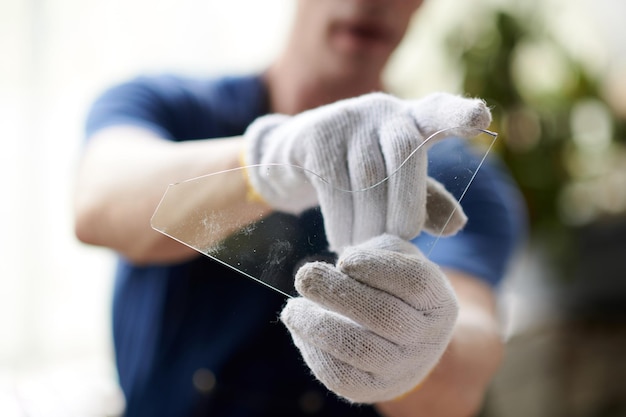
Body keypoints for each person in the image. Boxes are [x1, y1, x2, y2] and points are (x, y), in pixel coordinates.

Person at [74, 0, 526, 416]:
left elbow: (467, 364)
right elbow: (100, 203)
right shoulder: (170, 108)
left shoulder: (451, 172)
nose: (374, 2)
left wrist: (420, 354)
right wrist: (278, 159)